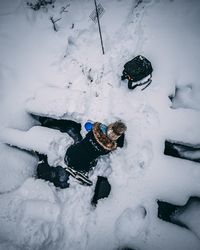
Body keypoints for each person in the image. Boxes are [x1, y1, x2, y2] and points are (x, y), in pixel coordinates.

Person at [36, 118, 127, 190]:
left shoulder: (96, 129)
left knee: (81, 147)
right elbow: (109, 150)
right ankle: (80, 172)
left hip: (71, 153)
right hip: (81, 164)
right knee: (90, 160)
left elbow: (87, 125)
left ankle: (73, 167)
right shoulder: (107, 148)